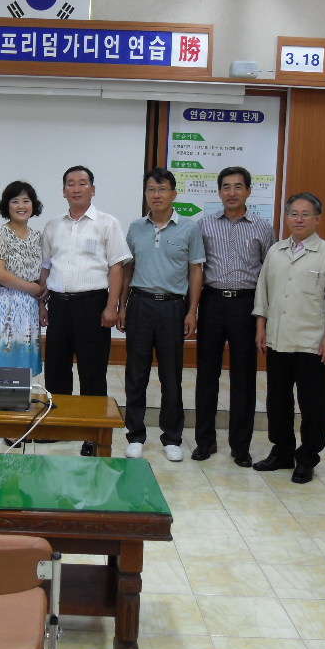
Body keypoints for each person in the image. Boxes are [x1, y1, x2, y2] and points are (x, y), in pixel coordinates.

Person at [253, 192, 325, 484]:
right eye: (294, 213)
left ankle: (307, 457)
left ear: (317, 219)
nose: (299, 219)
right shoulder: (276, 251)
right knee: (277, 401)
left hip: (312, 342)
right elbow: (263, 291)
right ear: (287, 218)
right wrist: (261, 326)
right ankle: (282, 451)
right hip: (278, 339)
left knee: (312, 404)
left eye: (306, 214)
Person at [40, 165, 131, 456]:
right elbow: (46, 268)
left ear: (92, 189)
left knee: (93, 371)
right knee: (56, 369)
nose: (76, 188)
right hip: (58, 304)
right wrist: (42, 303)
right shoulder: (53, 226)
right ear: (63, 190)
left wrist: (112, 306)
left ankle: (92, 434)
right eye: (71, 183)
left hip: (93, 305)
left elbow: (116, 267)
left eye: (82, 183)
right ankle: (58, 427)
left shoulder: (107, 223)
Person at [118, 168, 205, 462]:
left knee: (171, 375)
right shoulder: (135, 228)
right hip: (140, 305)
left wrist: (192, 310)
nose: (156, 195)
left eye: (162, 189)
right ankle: (135, 435)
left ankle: (172, 437)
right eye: (151, 190)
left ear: (173, 194)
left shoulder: (189, 228)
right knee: (136, 374)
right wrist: (121, 306)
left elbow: (196, 270)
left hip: (172, 307)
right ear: (146, 194)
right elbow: (127, 270)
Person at [192, 167, 276, 467]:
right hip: (212, 302)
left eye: (238, 187)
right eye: (226, 187)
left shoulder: (263, 228)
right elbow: (197, 269)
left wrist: (264, 316)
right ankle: (205, 441)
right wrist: (193, 308)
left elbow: (269, 272)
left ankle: (241, 446)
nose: (231, 192)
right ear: (219, 192)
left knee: (244, 378)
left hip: (246, 305)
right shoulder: (203, 225)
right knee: (206, 375)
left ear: (248, 191)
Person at [0, 181, 45, 376]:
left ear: (33, 205)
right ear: (6, 206)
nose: (21, 206)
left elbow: (43, 273)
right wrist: (33, 289)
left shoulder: (39, 237)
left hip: (30, 307)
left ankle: (20, 394)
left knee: (23, 368)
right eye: (15, 201)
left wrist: (42, 303)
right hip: (4, 306)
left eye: (26, 201)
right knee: (2, 363)